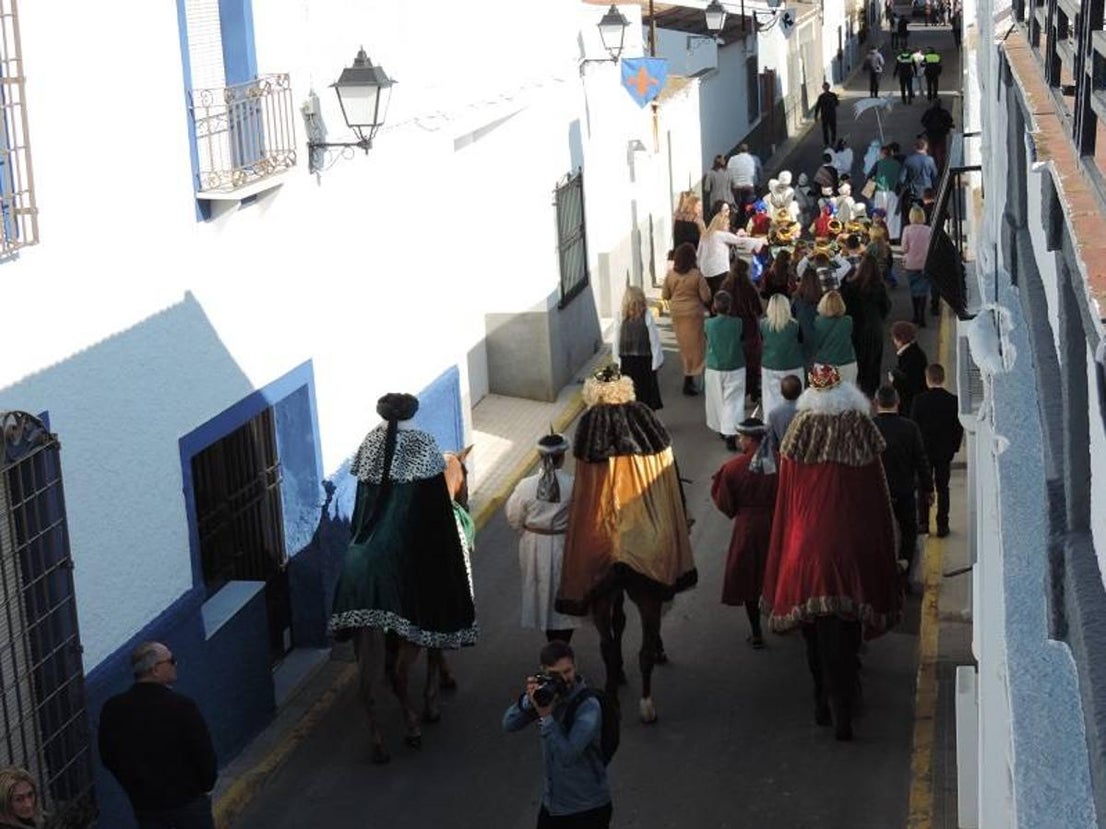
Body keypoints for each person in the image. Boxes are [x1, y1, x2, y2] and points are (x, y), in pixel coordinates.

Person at [330, 393, 478, 760]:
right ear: (413, 412)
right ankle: (424, 704)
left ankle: (377, 734)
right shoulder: (425, 445)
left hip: (365, 551)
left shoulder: (370, 443)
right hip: (404, 552)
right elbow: (433, 513)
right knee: (436, 599)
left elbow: (363, 507)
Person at [761, 364, 901, 741]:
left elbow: (786, 500)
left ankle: (821, 699)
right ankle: (848, 693)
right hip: (854, 541)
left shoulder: (799, 431)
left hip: (807, 543)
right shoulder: (860, 429)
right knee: (850, 624)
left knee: (812, 632)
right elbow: (878, 496)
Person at [99, 642, 218, 829]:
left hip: (145, 805)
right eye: (171, 661)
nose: (175, 665)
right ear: (155, 670)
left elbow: (108, 757)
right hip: (187, 802)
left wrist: (135, 788)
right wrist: (204, 786)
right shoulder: (182, 706)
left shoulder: (113, 709)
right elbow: (203, 754)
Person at [502, 641, 612, 828]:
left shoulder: (588, 706)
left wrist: (546, 717)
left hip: (587, 808)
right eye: (555, 674)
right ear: (543, 671)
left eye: (568, 671)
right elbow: (509, 724)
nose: (564, 679)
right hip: (553, 806)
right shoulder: (547, 696)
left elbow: (567, 755)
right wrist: (529, 700)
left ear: (575, 666)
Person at [506, 434, 584, 644]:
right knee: (563, 592)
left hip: (534, 546)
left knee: (542, 592)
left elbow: (514, 516)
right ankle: (562, 645)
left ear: (540, 456)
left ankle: (553, 645)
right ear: (563, 456)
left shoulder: (525, 486)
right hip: (564, 545)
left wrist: (529, 532)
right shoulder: (574, 485)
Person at [711, 417, 779, 650]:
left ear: (749, 438)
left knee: (750, 580)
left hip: (748, 528)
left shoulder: (732, 468)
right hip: (777, 527)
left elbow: (724, 502)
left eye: (741, 436)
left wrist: (739, 511)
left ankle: (756, 632)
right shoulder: (782, 464)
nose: (739, 440)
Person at [874, 385, 932, 582]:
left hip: (878, 493)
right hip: (905, 490)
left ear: (876, 404)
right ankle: (905, 567)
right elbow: (921, 460)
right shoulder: (910, 427)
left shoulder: (869, 427)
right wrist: (929, 488)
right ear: (897, 402)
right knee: (909, 531)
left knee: (880, 531)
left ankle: (882, 570)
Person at [910, 364, 964, 537]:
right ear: (943, 378)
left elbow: (914, 427)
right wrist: (953, 448)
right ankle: (942, 525)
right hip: (944, 452)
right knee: (943, 487)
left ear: (927, 380)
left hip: (924, 453)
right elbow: (958, 428)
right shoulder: (953, 401)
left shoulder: (918, 401)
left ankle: (923, 523)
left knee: (923, 486)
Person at [662, 243, 712, 396]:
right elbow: (706, 296)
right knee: (697, 346)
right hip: (694, 314)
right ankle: (694, 377)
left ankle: (688, 377)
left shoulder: (671, 274)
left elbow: (665, 295)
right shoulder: (696, 275)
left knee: (684, 346)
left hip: (677, 314)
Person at [840, 254, 893, 396]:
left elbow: (845, 309)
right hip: (874, 330)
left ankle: (858, 391)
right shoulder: (879, 287)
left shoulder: (850, 287)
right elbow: (886, 307)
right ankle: (870, 393)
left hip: (855, 330)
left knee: (858, 362)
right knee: (873, 364)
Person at [704, 292, 746, 451]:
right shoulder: (738, 323)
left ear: (715, 307)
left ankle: (723, 427)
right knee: (733, 401)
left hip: (714, 366)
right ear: (730, 307)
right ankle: (731, 431)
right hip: (735, 365)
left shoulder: (708, 324)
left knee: (717, 399)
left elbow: (708, 341)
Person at [612, 286, 663, 411]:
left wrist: (617, 360)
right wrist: (656, 361)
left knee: (629, 395)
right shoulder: (646, 315)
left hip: (627, 360)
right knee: (645, 394)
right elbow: (654, 339)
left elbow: (616, 339)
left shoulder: (621, 316)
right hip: (645, 360)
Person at [722, 260, 766, 403]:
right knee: (752, 360)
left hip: (731, 329)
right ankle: (754, 388)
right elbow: (759, 310)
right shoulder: (750, 288)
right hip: (749, 328)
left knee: (736, 361)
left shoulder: (725, 287)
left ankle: (738, 390)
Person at [760, 294, 804, 417]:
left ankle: (770, 424)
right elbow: (801, 342)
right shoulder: (795, 325)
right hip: (793, 365)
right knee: (795, 399)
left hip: (770, 365)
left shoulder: (763, 324)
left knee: (770, 399)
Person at [699, 210, 751, 298]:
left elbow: (698, 255)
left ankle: (712, 311)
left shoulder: (704, 236)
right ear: (722, 224)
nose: (729, 226)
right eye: (727, 224)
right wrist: (760, 240)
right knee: (721, 296)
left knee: (711, 296)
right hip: (719, 270)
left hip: (705, 272)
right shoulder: (721, 234)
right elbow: (740, 241)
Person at [813, 289, 858, 386]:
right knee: (848, 397)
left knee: (824, 398)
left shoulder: (817, 322)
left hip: (824, 364)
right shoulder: (848, 321)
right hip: (847, 363)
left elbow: (816, 344)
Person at [900, 206, 934, 326]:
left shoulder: (907, 229)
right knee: (924, 291)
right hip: (925, 264)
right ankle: (922, 316)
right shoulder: (928, 230)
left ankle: (915, 315)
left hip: (911, 264)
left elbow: (904, 248)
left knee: (914, 290)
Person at [889, 320, 929, 416]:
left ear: (900, 339)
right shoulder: (916, 352)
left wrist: (894, 380)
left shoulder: (908, 357)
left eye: (894, 337)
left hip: (910, 406)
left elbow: (909, 384)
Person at [791, 269, 823, 370]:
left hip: (802, 337)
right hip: (819, 338)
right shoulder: (822, 298)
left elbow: (792, 317)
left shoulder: (797, 299)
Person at [899, 138, 939, 215]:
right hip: (927, 193)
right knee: (928, 214)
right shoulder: (930, 160)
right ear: (926, 148)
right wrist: (935, 191)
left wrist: (906, 187)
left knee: (914, 215)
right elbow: (935, 177)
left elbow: (901, 179)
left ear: (915, 148)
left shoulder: (909, 160)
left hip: (913, 193)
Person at [766, 374, 803, 455]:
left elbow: (771, 442)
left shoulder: (774, 414)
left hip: (784, 455)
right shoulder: (807, 411)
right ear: (801, 391)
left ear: (781, 393)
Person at [921, 98, 955, 171]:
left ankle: (933, 167)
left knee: (932, 152)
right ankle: (941, 169)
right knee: (941, 153)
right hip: (941, 135)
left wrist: (929, 127)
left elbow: (923, 121)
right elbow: (950, 121)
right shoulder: (944, 113)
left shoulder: (929, 112)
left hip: (931, 135)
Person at [727, 144, 762, 211]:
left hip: (737, 187)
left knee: (738, 206)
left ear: (739, 150)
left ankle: (739, 216)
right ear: (748, 150)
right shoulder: (754, 158)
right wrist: (759, 183)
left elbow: (728, 173)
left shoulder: (732, 159)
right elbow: (760, 171)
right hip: (750, 186)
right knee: (752, 205)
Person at [704, 155, 735, 220]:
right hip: (729, 200)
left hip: (715, 202)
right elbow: (734, 186)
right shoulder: (730, 172)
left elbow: (707, 189)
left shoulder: (710, 173)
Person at [813, 82, 840, 147]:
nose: (826, 88)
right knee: (825, 130)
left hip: (832, 115)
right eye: (825, 87)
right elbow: (817, 106)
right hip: (824, 116)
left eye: (827, 87)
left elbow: (837, 103)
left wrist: (833, 103)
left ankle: (833, 142)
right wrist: (816, 116)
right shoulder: (821, 97)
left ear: (829, 87)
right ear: (823, 88)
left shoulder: (833, 95)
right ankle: (826, 143)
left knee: (833, 129)